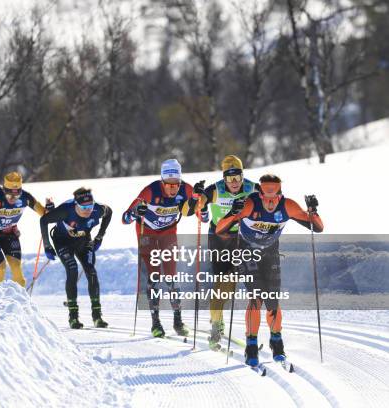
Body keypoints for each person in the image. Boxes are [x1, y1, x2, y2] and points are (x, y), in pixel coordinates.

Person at [216, 174, 323, 367]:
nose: (271, 203)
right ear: (260, 194)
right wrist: (233, 213)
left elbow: (318, 227)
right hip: (247, 251)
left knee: (273, 300)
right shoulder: (250, 204)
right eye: (266, 199)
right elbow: (220, 229)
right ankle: (251, 345)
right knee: (256, 299)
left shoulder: (288, 206)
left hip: (271, 252)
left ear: (280, 194)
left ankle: (276, 342)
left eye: (274, 198)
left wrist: (312, 211)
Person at [122, 158, 200, 338]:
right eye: (169, 184)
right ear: (162, 181)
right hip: (147, 233)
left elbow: (202, 214)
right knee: (154, 276)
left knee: (172, 276)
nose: (173, 188)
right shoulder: (150, 191)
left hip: (168, 232)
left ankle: (178, 320)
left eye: (176, 184)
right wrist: (135, 213)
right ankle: (155, 322)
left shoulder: (186, 189)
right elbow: (124, 218)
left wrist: (199, 204)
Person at [195, 155, 259, 350]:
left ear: (242, 176)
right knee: (222, 283)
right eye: (229, 178)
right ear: (224, 178)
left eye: (237, 177)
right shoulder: (215, 189)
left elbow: (273, 198)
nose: (234, 183)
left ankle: (238, 325)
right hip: (219, 237)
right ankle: (216, 324)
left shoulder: (252, 188)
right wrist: (199, 200)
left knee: (233, 284)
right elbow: (201, 213)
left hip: (242, 238)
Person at [40, 187, 112, 329]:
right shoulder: (65, 210)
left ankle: (97, 316)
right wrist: (47, 246)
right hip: (62, 242)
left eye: (90, 206)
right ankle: (73, 317)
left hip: (84, 241)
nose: (88, 210)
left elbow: (109, 212)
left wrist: (100, 236)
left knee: (91, 272)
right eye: (83, 207)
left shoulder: (97, 209)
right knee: (72, 270)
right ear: (76, 205)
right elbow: (44, 221)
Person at [0, 171, 51, 287]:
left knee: (17, 270)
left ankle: (22, 302)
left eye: (16, 196)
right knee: (0, 268)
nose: (13, 199)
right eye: (9, 195)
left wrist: (50, 209)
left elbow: (45, 214)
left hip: (9, 232)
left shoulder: (26, 197)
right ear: (4, 191)